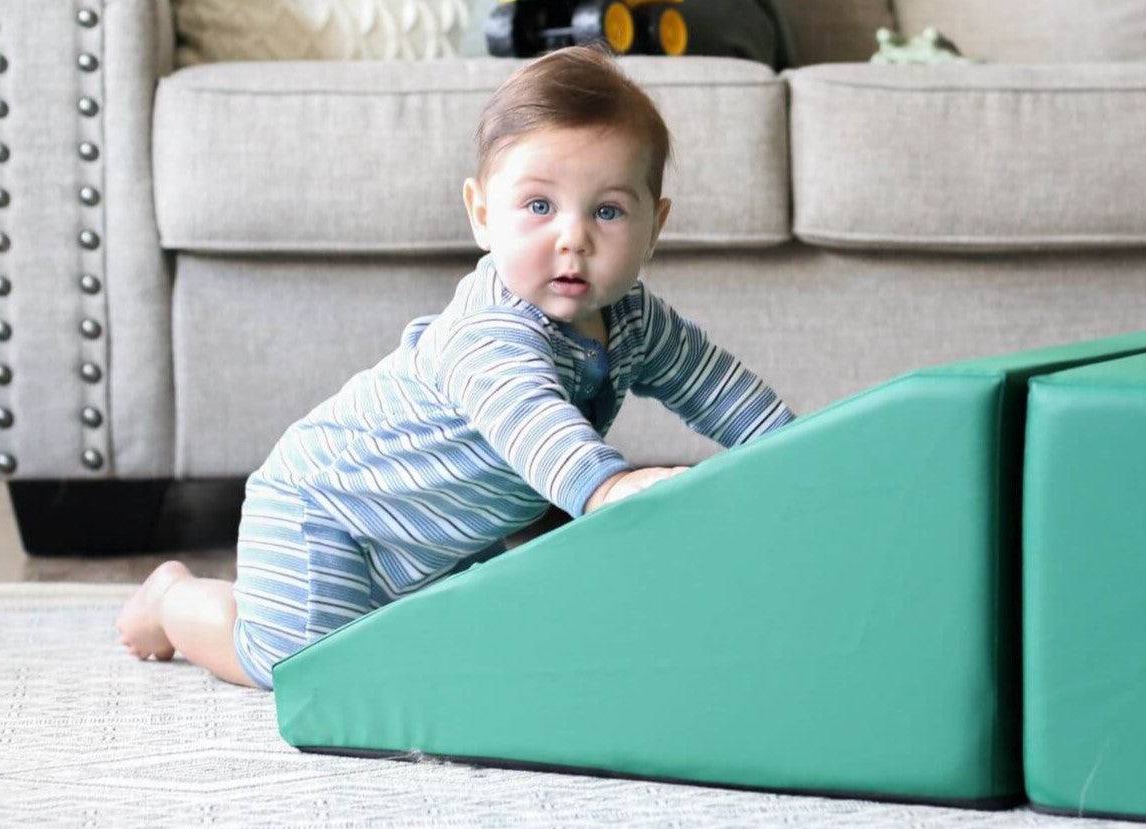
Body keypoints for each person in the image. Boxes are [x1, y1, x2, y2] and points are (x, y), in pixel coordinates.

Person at [116, 45, 794, 689]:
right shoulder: (488, 333)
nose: (573, 237)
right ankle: (175, 599)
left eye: (609, 210)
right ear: (481, 215)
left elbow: (721, 391)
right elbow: (534, 423)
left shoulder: (639, 322)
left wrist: (803, 456)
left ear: (655, 227)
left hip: (437, 538)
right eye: (538, 206)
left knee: (437, 646)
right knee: (296, 666)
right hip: (326, 509)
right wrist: (607, 490)